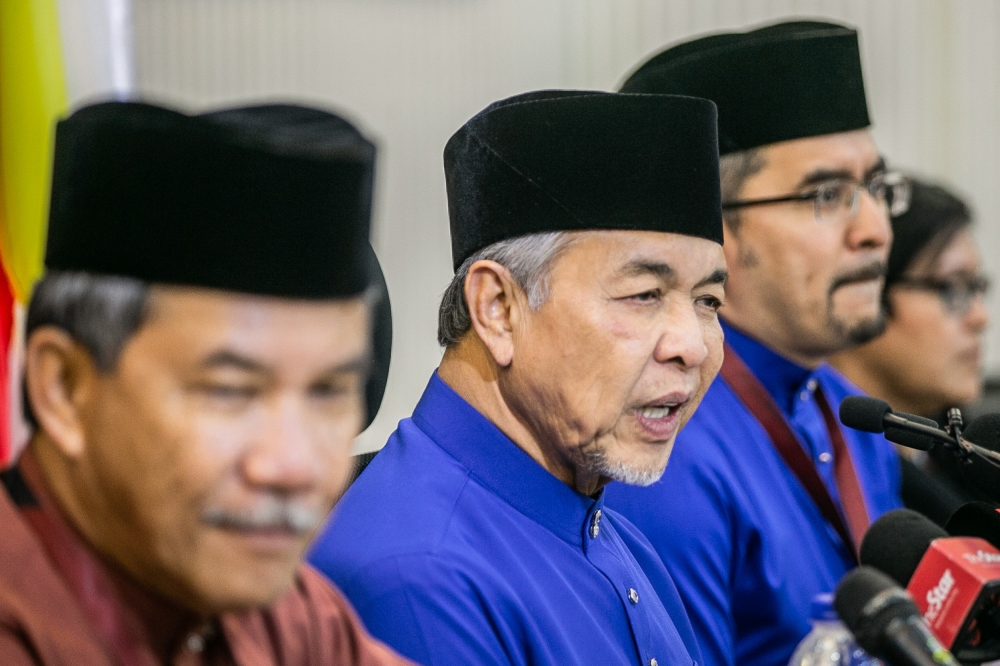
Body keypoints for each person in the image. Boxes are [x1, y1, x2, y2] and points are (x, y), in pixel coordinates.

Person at [310, 90, 727, 666]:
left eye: (708, 301)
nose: (691, 345)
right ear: (498, 310)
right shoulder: (420, 581)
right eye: (643, 295)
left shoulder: (608, 531)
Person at [0, 101, 411, 666]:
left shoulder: (284, 614)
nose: (294, 467)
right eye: (230, 392)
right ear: (64, 388)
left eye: (328, 393)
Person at [605, 21, 909, 666]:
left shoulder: (853, 414)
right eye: (827, 196)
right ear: (715, 232)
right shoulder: (665, 442)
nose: (876, 229)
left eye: (879, 189)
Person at [830, 178, 990, 525]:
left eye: (977, 288)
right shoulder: (829, 471)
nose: (980, 317)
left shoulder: (967, 458)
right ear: (868, 291)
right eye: (950, 287)